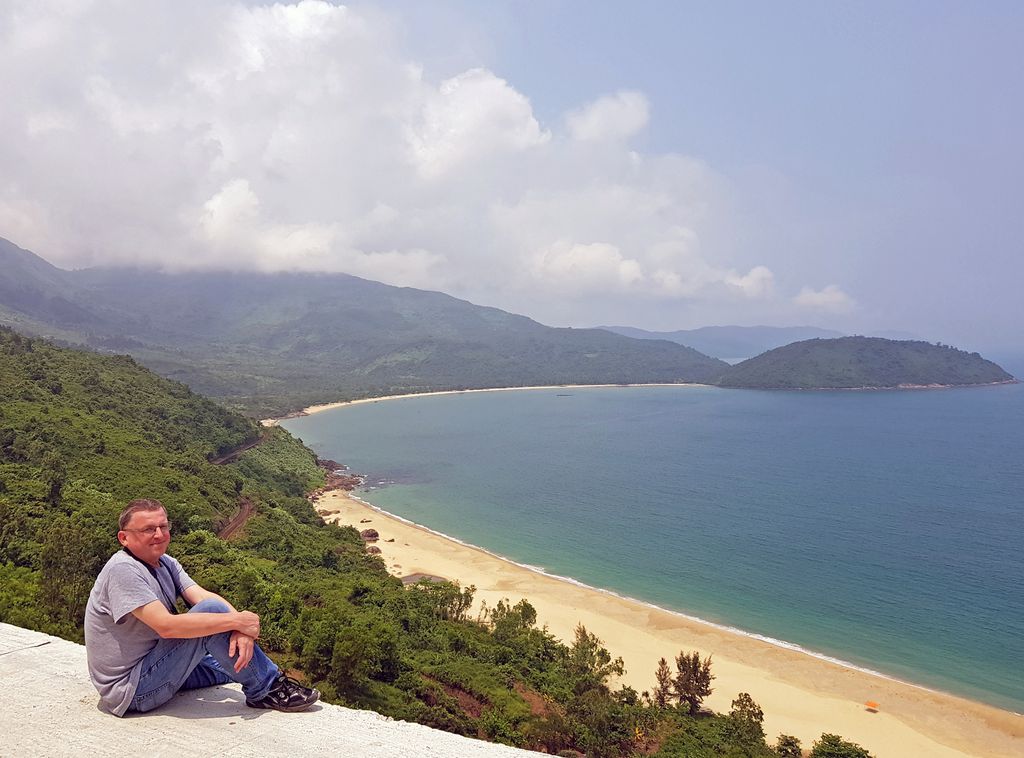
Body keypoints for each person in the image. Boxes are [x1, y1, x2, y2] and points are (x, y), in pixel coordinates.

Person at [84, 498, 320, 716]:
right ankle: (267, 689)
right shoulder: (122, 570)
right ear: (124, 538)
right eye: (148, 529)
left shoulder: (165, 563)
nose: (159, 534)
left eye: (163, 527)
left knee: (229, 659)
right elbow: (166, 626)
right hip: (132, 688)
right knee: (215, 619)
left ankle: (268, 677)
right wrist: (238, 621)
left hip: (157, 664)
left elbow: (204, 596)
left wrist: (241, 629)